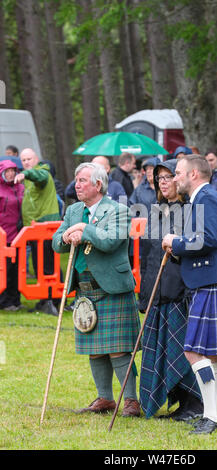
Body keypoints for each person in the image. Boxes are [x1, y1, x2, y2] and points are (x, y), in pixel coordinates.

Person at [162, 155, 217, 435]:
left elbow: (208, 239)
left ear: (194, 174)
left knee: (194, 352)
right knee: (215, 355)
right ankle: (215, 415)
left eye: (178, 173)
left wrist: (177, 242)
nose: (174, 178)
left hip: (211, 282)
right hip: (214, 281)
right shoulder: (203, 199)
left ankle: (210, 415)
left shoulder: (206, 199)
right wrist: (178, 250)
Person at [52, 162, 141, 417]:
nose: (76, 185)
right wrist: (67, 236)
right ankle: (105, 398)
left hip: (112, 287)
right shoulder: (73, 211)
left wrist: (84, 230)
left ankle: (131, 401)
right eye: (77, 180)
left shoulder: (119, 210)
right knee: (95, 346)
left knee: (119, 348)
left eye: (82, 180)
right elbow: (56, 242)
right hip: (85, 289)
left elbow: (111, 241)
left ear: (98, 185)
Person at [139, 159, 203, 421]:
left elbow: (196, 249)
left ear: (180, 179)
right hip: (158, 291)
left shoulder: (191, 211)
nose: (163, 182)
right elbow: (147, 258)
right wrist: (146, 295)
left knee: (180, 349)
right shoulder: (155, 212)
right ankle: (177, 402)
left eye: (168, 177)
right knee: (161, 348)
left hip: (180, 291)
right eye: (159, 178)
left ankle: (194, 403)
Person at [14, 148, 61, 315]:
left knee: (48, 265)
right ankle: (45, 300)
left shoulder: (42, 173)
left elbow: (37, 177)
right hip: (34, 229)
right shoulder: (27, 177)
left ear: (36, 159)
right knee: (39, 265)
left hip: (45, 228)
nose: (26, 162)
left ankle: (53, 301)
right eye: (23, 160)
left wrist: (25, 174)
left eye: (29, 159)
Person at [0, 160, 24, 310]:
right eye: (7, 171)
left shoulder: (21, 188)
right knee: (5, 270)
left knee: (17, 270)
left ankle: (15, 300)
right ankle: (4, 301)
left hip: (19, 236)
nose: (10, 174)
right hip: (3, 236)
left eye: (13, 171)